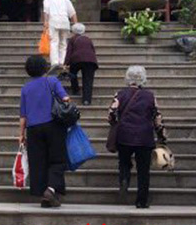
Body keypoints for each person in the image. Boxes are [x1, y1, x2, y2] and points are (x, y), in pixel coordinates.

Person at [108, 66, 167, 209]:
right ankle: (142, 200)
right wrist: (161, 135)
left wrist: (115, 123)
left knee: (124, 162)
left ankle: (124, 178)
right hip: (144, 136)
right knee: (143, 170)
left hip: (124, 135)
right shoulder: (150, 96)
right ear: (143, 78)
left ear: (128, 78)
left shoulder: (120, 94)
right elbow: (157, 117)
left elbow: (111, 114)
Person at [18, 55, 70, 208]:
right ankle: (51, 189)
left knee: (39, 162)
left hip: (33, 129)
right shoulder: (52, 81)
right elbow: (65, 99)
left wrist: (21, 134)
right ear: (44, 67)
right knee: (58, 160)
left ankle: (45, 196)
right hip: (53, 125)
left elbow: (23, 115)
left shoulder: (26, 88)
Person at [43, 0, 77, 71]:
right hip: (65, 22)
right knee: (63, 43)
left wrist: (45, 22)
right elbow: (72, 13)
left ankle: (54, 62)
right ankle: (62, 62)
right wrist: (75, 24)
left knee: (54, 42)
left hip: (53, 22)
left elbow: (46, 12)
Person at [64, 23, 98, 106]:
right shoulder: (88, 39)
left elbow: (69, 52)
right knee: (88, 80)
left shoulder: (72, 39)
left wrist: (66, 63)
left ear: (73, 31)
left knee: (72, 73)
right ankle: (86, 100)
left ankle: (75, 90)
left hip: (76, 60)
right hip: (90, 61)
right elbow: (93, 50)